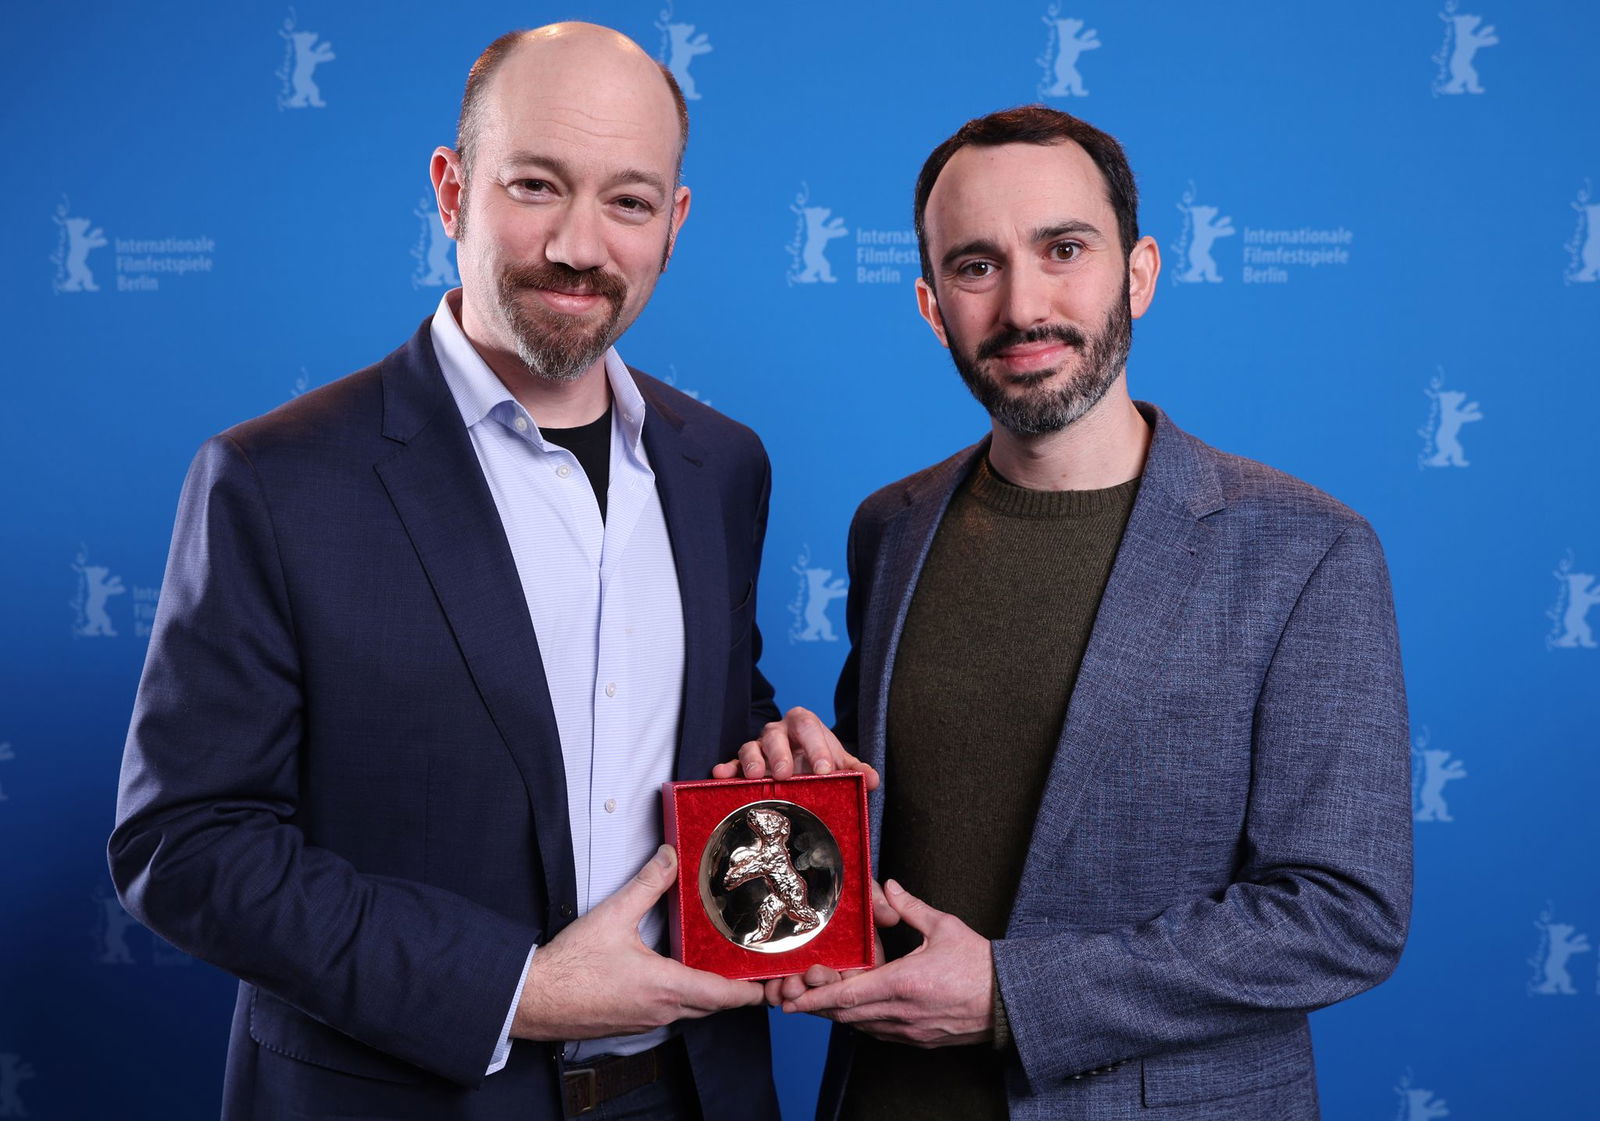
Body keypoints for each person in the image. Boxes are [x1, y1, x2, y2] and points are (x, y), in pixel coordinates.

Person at [110, 23, 780, 1121]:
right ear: (451, 189)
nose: (579, 245)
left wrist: (768, 748)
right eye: (535, 185)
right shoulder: (275, 477)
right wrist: (518, 988)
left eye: (628, 201)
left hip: (693, 1090)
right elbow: (183, 843)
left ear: (674, 223)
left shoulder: (721, 465)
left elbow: (698, 714)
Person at [718, 106, 1412, 1120]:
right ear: (929, 303)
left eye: (1063, 249)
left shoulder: (1304, 548)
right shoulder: (893, 526)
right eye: (974, 266)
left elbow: (1344, 913)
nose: (1023, 303)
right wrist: (800, 800)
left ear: (1138, 273)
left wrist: (1013, 994)